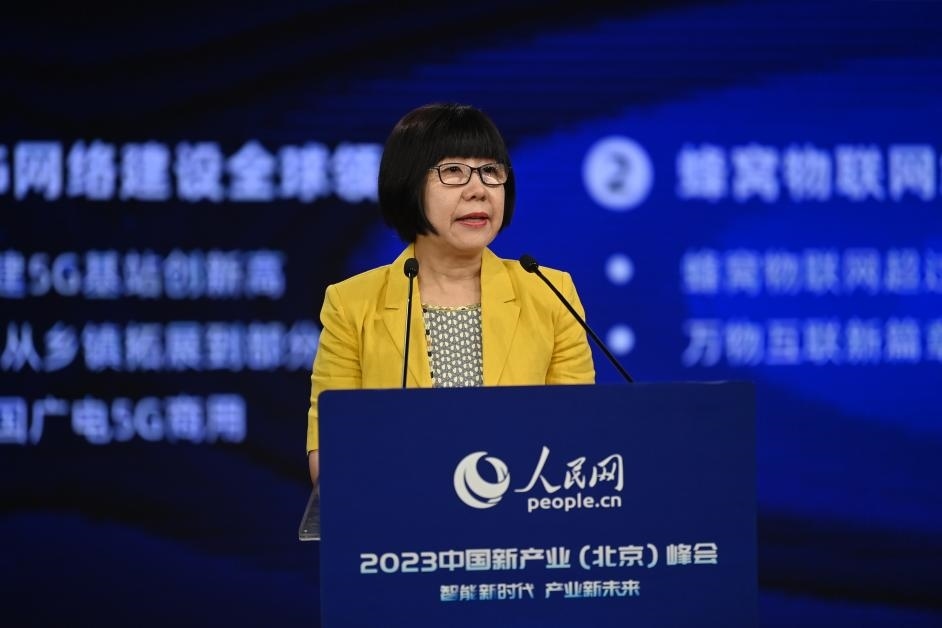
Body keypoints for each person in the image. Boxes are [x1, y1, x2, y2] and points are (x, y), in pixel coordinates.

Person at [306, 103, 595, 485]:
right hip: (401, 513)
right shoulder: (352, 304)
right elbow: (330, 451)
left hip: (522, 510)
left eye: (490, 171)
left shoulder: (549, 293)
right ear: (408, 183)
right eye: (453, 171)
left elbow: (578, 435)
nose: (478, 191)